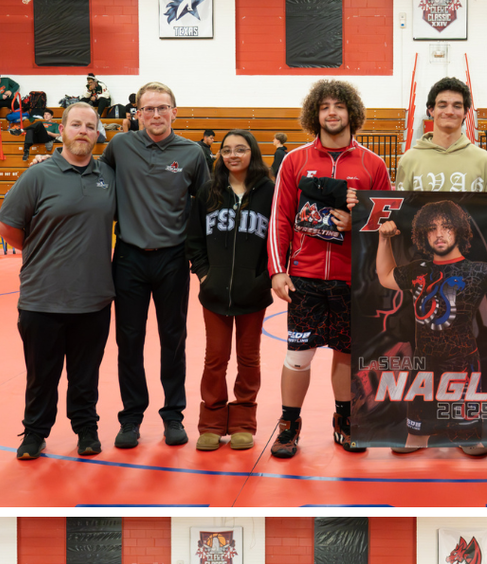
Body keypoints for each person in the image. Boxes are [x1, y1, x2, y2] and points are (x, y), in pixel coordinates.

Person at [268, 78, 391, 458]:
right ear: (315, 114)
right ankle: (289, 424)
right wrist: (278, 269)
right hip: (304, 277)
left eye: (339, 106)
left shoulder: (373, 164)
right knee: (298, 355)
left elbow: (388, 223)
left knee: (347, 354)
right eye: (324, 107)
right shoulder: (294, 160)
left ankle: (345, 421)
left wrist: (358, 223)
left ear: (352, 112)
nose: (332, 112)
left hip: (352, 278)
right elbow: (280, 218)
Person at [0, 103, 117, 460]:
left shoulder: (109, 175)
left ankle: (86, 429)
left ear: (97, 134)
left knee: (86, 374)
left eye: (90, 126)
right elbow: (7, 226)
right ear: (61, 130)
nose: (83, 131)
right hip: (42, 296)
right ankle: (35, 432)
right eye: (76, 124)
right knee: (41, 374)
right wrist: (41, 252)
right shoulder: (37, 175)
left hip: (93, 296)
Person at [375, 200, 487, 453]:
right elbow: (386, 277)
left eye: (447, 227)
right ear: (423, 234)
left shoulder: (476, 271)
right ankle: (422, 437)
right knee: (415, 437)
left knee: (470, 439)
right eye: (432, 228)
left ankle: (466, 436)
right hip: (424, 365)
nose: (439, 234)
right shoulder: (418, 270)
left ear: (459, 230)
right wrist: (383, 239)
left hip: (462, 364)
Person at [98, 81, 208, 450]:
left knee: (173, 339)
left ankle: (173, 414)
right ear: (138, 113)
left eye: (162, 108)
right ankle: (131, 417)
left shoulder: (192, 153)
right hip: (129, 257)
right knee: (129, 341)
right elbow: (95, 178)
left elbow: (206, 205)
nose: (156, 115)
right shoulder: (120, 146)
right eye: (149, 109)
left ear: (174, 112)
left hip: (172, 258)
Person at [186, 129, 273, 452]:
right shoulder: (209, 191)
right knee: (215, 358)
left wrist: (264, 277)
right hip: (215, 292)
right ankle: (211, 422)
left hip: (254, 292)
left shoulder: (270, 192)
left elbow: (279, 238)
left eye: (240, 149)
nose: (233, 155)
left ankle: (242, 423)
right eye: (226, 150)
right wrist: (204, 274)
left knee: (249, 359)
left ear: (253, 153)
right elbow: (194, 238)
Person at [394, 77, 487, 194]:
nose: (449, 112)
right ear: (431, 110)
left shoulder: (484, 160)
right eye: (442, 105)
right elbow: (402, 205)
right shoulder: (409, 160)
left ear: (465, 112)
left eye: (457, 106)